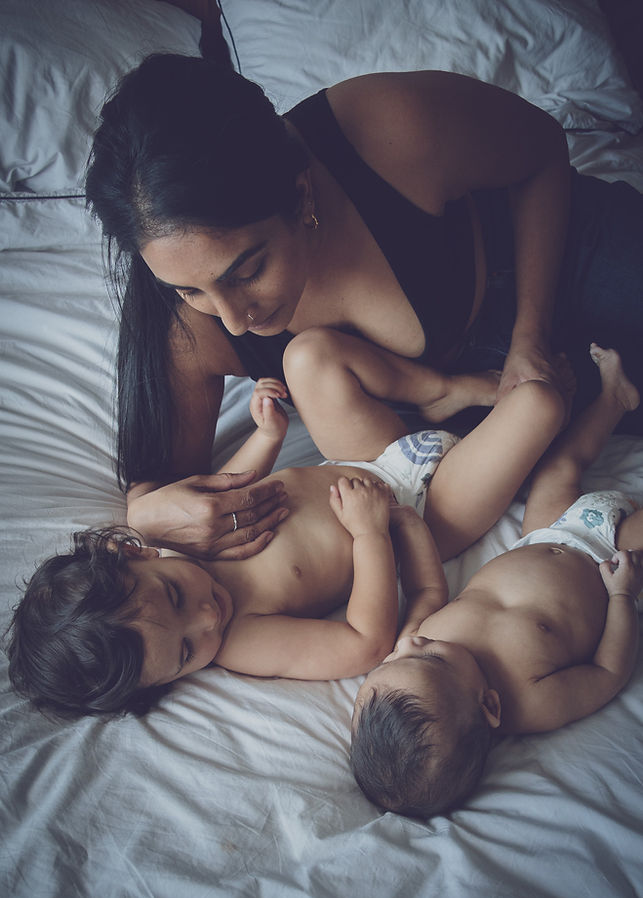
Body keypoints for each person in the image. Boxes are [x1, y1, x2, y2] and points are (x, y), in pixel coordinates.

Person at [84, 53, 643, 558]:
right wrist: (146, 513)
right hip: (484, 409)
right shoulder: (181, 315)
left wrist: (530, 336)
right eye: (189, 290)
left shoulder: (387, 126)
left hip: (555, 261)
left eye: (248, 270)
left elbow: (541, 149)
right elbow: (164, 488)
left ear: (301, 194)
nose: (233, 320)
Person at [6, 360, 566, 718]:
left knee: (308, 357)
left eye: (175, 596)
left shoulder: (177, 534)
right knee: (539, 403)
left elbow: (239, 489)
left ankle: (449, 388)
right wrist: (370, 534)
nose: (206, 618)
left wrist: (269, 434)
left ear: (136, 553)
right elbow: (364, 644)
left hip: (361, 457)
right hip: (421, 513)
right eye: (185, 652)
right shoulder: (243, 639)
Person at [350, 345, 643, 819]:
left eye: (389, 660)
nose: (410, 643)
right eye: (427, 657)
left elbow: (428, 589)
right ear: (489, 705)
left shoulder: (417, 644)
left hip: (544, 531)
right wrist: (623, 596)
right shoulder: (531, 701)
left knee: (558, 468)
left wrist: (408, 524)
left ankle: (614, 400)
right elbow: (607, 674)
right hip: (610, 559)